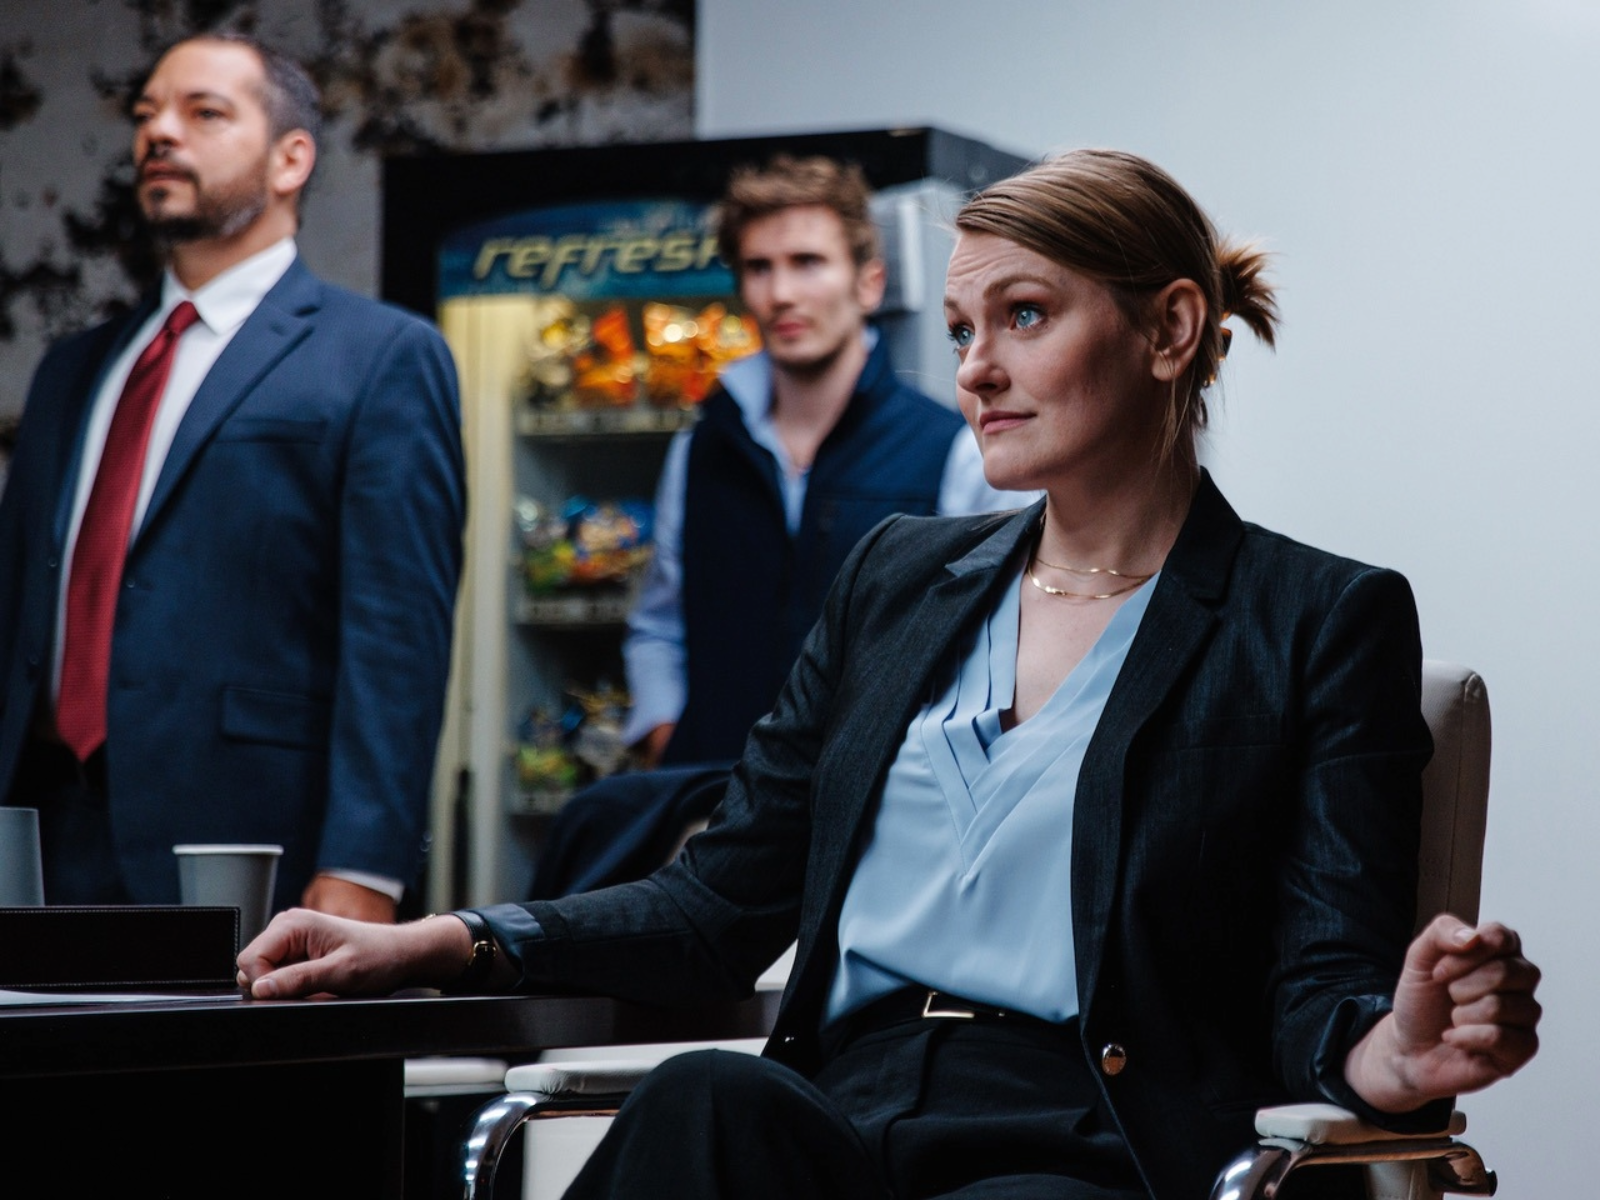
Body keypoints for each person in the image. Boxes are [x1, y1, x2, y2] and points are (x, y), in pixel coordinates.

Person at [238, 150, 1540, 1199]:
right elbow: (716, 901)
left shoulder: (1315, 618)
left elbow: (1324, 979)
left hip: (1083, 1140)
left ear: (1169, 328)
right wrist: (446, 941)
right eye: (964, 326)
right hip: (839, 1113)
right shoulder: (897, 579)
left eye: (1023, 316)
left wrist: (1398, 1052)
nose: (975, 366)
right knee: (706, 1098)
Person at [0, 34, 465, 922]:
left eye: (203, 113)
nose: (159, 133)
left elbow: (397, 637)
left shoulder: (380, 357)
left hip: (250, 845)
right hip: (45, 842)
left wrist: (366, 866)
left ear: (292, 159)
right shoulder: (74, 368)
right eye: (146, 114)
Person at [624, 153, 1028, 767]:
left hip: (872, 809)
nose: (781, 293)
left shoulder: (952, 450)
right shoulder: (701, 448)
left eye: (807, 262)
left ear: (869, 283)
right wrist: (665, 736)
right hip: (711, 802)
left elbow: (996, 651)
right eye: (759, 267)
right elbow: (658, 626)